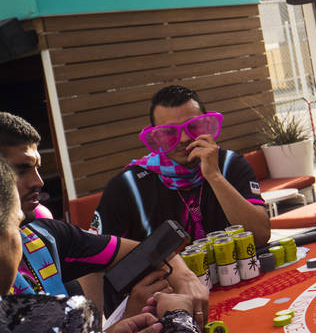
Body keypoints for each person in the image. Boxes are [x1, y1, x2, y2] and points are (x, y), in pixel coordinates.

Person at [0, 158, 210, 333]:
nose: (37, 181)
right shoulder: (42, 328)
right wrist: (179, 318)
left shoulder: (46, 237)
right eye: (15, 226)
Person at [0, 112, 208, 330]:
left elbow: (147, 251)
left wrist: (185, 278)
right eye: (21, 170)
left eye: (37, 168)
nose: (38, 181)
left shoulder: (44, 235)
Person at [95, 85, 270, 246]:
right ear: (156, 137)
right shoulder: (127, 186)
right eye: (169, 132)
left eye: (194, 126)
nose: (185, 138)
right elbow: (98, 260)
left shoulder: (230, 164)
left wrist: (214, 176)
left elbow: (260, 236)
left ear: (207, 125)